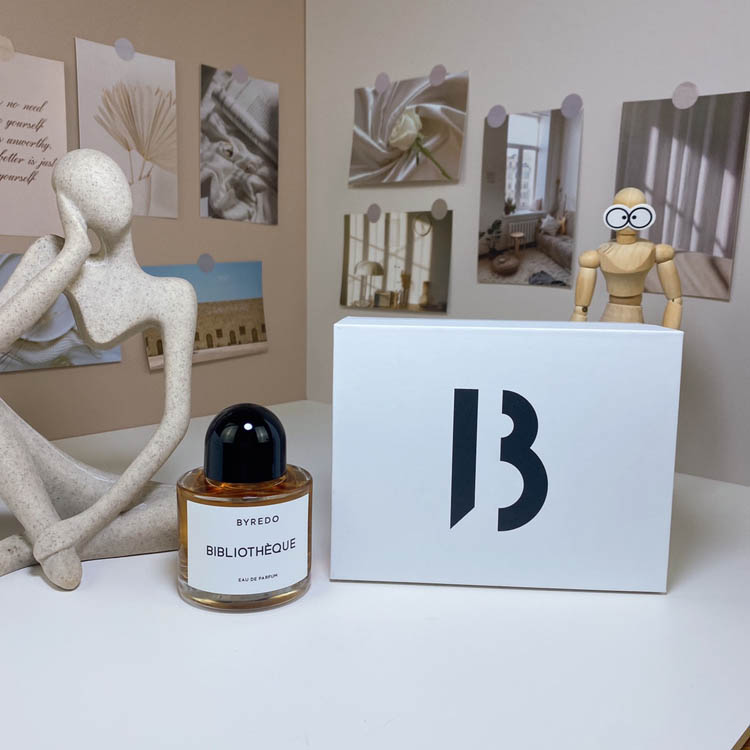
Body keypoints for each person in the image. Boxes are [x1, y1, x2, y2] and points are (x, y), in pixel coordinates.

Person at [0, 149, 197, 589]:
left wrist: (84, 524)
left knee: (190, 511)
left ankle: (35, 544)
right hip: (46, 471)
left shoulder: (173, 295)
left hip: (109, 492)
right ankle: (45, 528)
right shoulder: (51, 255)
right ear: (68, 206)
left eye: (109, 180)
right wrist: (72, 253)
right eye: (85, 187)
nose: (105, 192)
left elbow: (175, 423)